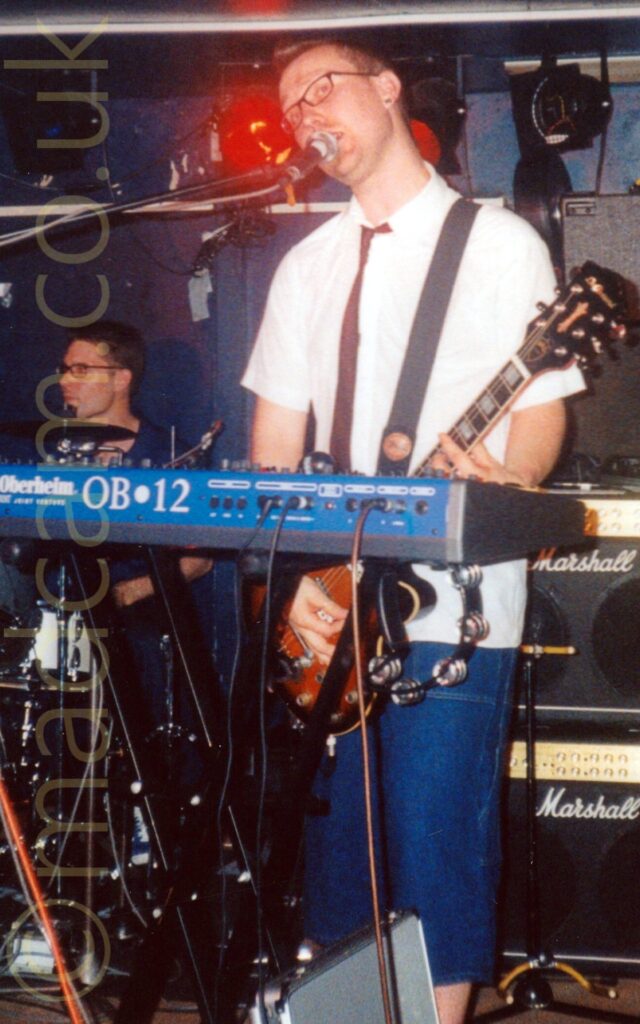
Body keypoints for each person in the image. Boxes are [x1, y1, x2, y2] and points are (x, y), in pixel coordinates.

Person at [241, 38, 585, 1024]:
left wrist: (508, 482)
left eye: (323, 87)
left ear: (388, 90)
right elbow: (274, 445)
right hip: (327, 606)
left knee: (433, 841)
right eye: (288, 103)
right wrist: (293, 581)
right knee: (344, 854)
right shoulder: (304, 263)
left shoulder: (496, 243)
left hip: (452, 607)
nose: (305, 113)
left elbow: (542, 404)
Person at [57, 321, 213, 817]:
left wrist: (123, 594)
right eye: (63, 370)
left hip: (141, 619)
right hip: (66, 615)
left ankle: (154, 824)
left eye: (81, 369)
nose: (65, 380)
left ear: (121, 378)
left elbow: (199, 557)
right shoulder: (58, 458)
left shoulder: (170, 454)